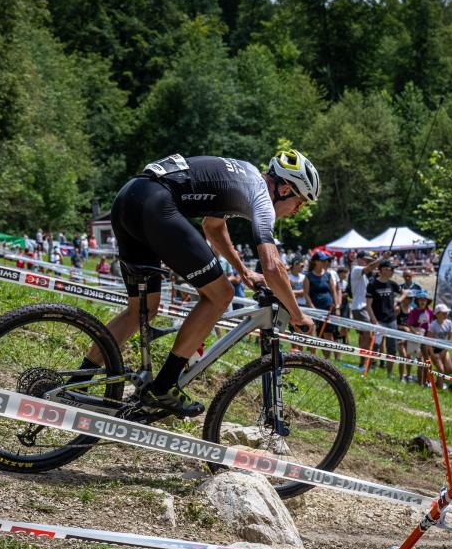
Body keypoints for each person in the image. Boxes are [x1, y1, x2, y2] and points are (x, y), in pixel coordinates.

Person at [85, 150, 319, 417]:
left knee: (142, 309)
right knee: (220, 295)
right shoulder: (262, 198)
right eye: (300, 202)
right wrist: (298, 315)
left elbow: (213, 226)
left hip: (129, 197)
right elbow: (272, 265)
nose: (298, 210)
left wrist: (243, 271)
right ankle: (163, 386)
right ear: (285, 189)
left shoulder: (243, 174)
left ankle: (77, 380)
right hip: (156, 205)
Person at [351, 250, 392, 368]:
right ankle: (365, 362)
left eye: (369, 261)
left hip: (363, 307)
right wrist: (382, 258)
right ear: (359, 259)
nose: (368, 262)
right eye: (366, 260)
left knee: (364, 335)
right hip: (360, 307)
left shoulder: (366, 275)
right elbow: (370, 267)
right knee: (367, 335)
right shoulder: (356, 269)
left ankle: (364, 361)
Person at [366, 260, 400, 378]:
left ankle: (389, 374)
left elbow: (404, 292)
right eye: (386, 269)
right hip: (378, 320)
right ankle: (369, 369)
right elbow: (368, 305)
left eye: (390, 269)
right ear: (380, 270)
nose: (388, 271)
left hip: (391, 320)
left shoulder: (393, 284)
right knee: (374, 346)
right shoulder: (372, 284)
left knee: (392, 348)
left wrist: (398, 302)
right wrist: (373, 319)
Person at [304, 251, 339, 357]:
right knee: (313, 333)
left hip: (328, 309)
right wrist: (311, 306)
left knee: (328, 335)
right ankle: (312, 356)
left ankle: (326, 359)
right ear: (315, 261)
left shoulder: (328, 275)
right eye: (322, 260)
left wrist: (337, 306)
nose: (325, 262)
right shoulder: (308, 276)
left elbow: (333, 291)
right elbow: (306, 294)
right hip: (315, 310)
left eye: (326, 260)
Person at [406, 290, 434, 385]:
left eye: (424, 300)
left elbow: (432, 323)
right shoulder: (413, 312)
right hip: (416, 337)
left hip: (426, 338)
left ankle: (426, 381)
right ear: (417, 301)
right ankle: (420, 382)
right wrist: (416, 333)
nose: (423, 301)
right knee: (420, 360)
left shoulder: (429, 311)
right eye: (421, 299)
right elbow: (409, 325)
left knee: (427, 360)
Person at [428, 303, 452, 375]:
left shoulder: (449, 323)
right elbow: (428, 340)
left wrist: (445, 350)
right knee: (441, 370)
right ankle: (439, 384)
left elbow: (451, 337)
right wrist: (432, 354)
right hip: (434, 349)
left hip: (444, 348)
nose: (446, 314)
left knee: (449, 368)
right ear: (437, 314)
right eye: (443, 313)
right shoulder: (433, 325)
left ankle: (439, 380)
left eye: (446, 312)